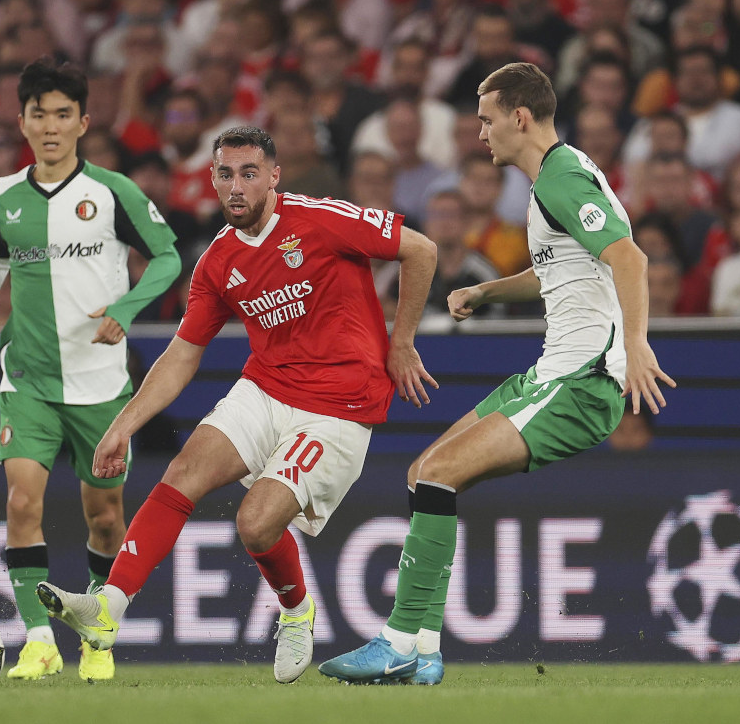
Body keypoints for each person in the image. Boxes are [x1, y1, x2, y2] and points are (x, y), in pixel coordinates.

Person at [35, 125, 439, 684]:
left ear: (274, 176)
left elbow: (421, 248)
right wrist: (123, 425)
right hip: (266, 389)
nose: (236, 186)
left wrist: (401, 342)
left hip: (339, 408)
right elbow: (181, 355)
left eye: (249, 173)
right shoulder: (217, 262)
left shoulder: (321, 219)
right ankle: (108, 610)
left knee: (255, 525)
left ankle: (297, 610)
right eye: (225, 174)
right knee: (182, 473)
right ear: (212, 180)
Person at [319, 62, 675, 686]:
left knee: (436, 473)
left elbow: (630, 257)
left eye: (486, 120)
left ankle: (402, 640)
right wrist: (487, 291)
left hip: (580, 380)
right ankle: (421, 650)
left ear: (520, 117)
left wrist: (638, 345)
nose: (479, 134)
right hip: (551, 372)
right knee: (424, 473)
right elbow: (562, 268)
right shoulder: (557, 181)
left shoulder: (561, 176)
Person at [0, 58, 180, 684]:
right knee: (22, 499)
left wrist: (127, 309)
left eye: (62, 114)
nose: (50, 126)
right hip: (26, 379)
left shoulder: (111, 192)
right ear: (22, 122)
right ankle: (38, 640)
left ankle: (98, 635)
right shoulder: (3, 195)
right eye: (38, 114)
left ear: (82, 121)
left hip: (101, 385)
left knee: (104, 516)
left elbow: (167, 258)